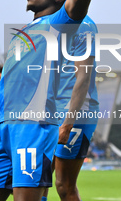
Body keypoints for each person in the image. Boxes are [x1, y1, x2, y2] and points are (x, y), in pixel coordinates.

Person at [0, 0, 92, 201]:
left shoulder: (59, 24)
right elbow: (23, 82)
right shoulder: (23, 32)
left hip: (32, 127)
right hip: (0, 130)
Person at [42, 16, 99, 201]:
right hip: (49, 112)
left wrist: (67, 123)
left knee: (64, 185)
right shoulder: (51, 24)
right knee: (37, 180)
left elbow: (83, 78)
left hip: (74, 113)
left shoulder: (84, 26)